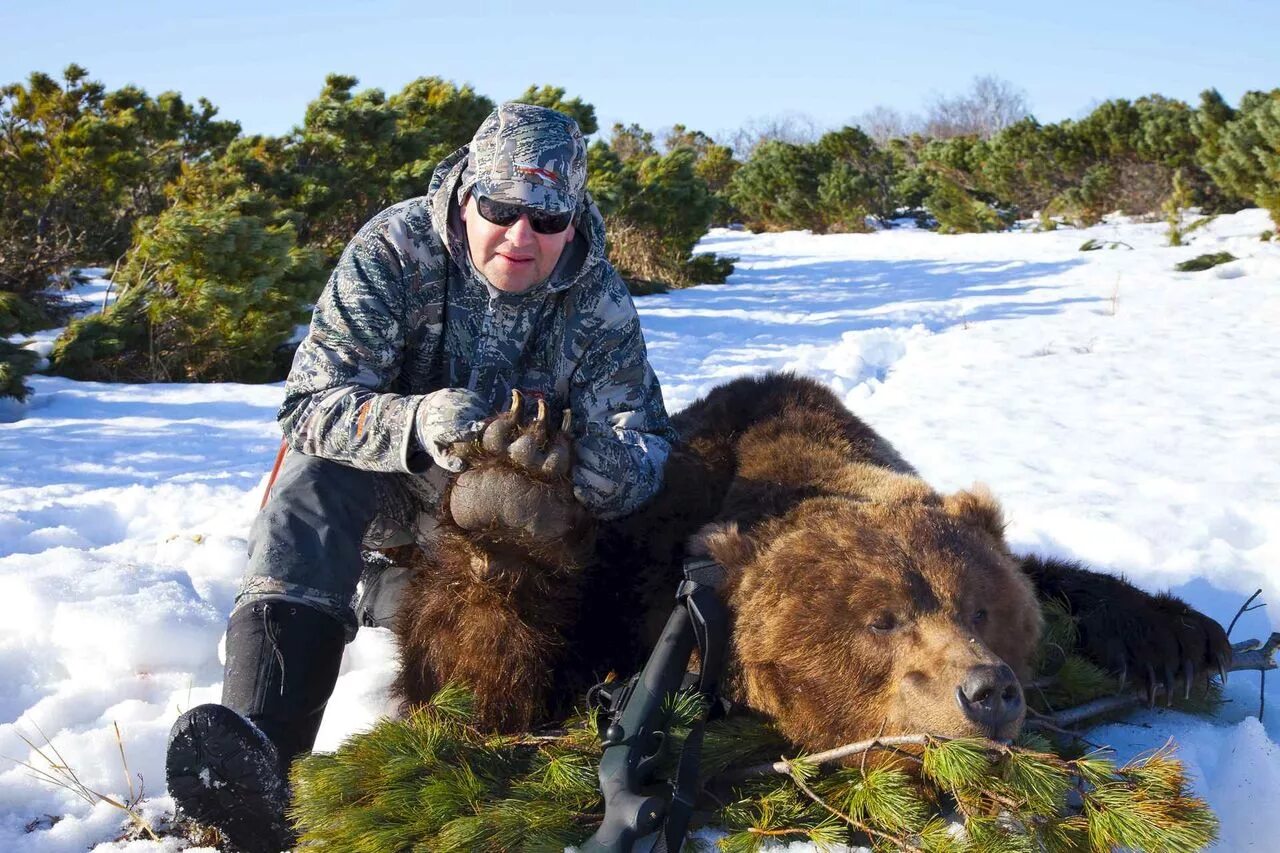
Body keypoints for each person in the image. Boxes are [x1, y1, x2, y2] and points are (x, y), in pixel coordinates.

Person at [165, 103, 676, 852]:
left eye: (546, 218)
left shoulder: (595, 298)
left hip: (498, 563)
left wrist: (604, 472)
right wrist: (413, 423)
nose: (520, 236)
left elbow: (650, 444)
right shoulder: (394, 251)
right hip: (379, 513)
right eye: (501, 208)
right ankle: (262, 754)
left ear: (573, 216)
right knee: (315, 473)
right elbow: (308, 407)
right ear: (468, 192)